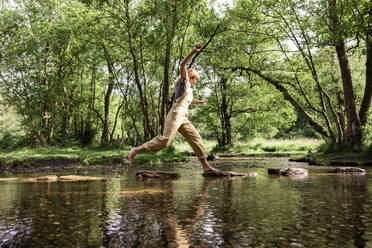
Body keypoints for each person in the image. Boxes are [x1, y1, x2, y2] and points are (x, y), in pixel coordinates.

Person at [128, 43, 222, 175]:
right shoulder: (184, 81)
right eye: (196, 79)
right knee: (166, 141)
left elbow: (187, 101)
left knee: (196, 139)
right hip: (176, 113)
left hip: (184, 116)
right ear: (191, 77)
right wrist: (193, 51)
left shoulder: (189, 89)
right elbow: (182, 64)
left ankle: (206, 167)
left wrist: (199, 102)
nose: (196, 82)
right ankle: (135, 150)